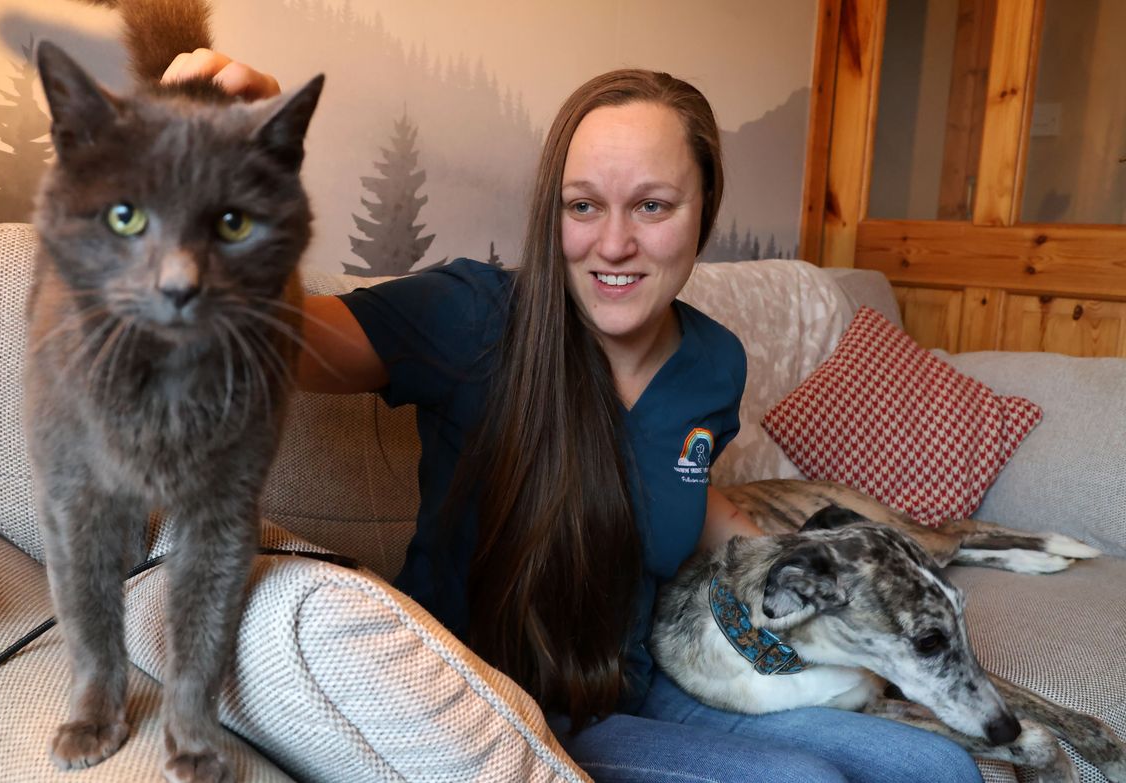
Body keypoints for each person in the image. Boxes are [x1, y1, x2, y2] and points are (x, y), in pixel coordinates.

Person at [165, 50, 982, 783]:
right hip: (498, 709)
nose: (613, 243)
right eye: (583, 206)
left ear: (704, 212)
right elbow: (285, 343)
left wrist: (823, 570)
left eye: (653, 206)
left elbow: (678, 485)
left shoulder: (714, 362)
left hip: (645, 680)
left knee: (936, 764)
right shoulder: (478, 318)